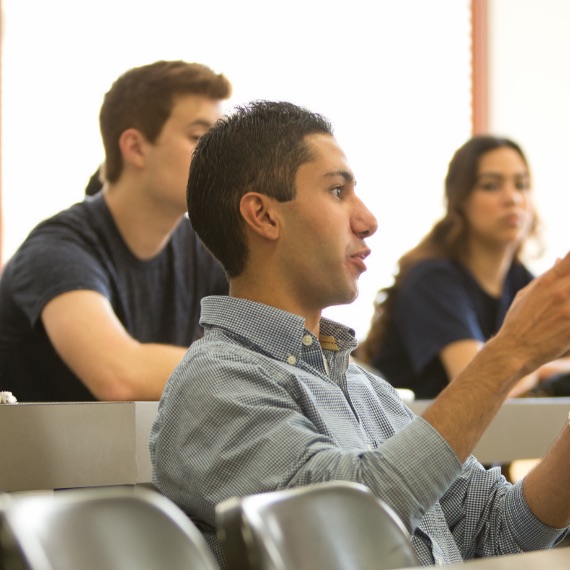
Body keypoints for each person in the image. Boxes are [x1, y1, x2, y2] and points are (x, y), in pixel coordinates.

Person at [150, 101, 570, 567]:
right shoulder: (215, 383)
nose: (368, 220)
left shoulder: (363, 386)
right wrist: (510, 352)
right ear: (264, 216)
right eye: (336, 191)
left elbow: (498, 529)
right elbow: (353, 522)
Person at [0, 60, 232, 402]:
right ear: (135, 147)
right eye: (199, 137)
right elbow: (119, 376)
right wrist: (272, 368)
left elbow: (289, 337)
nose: (223, 156)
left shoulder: (206, 252)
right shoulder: (55, 249)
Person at [356, 136, 570, 399]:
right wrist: (541, 372)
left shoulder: (519, 279)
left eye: (521, 184)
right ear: (460, 200)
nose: (513, 198)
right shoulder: (431, 279)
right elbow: (482, 384)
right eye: (491, 186)